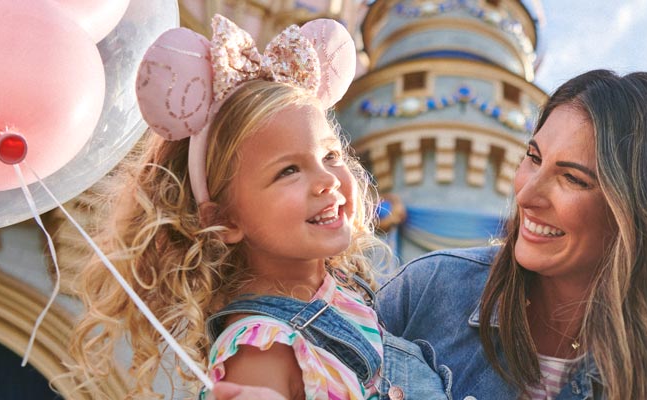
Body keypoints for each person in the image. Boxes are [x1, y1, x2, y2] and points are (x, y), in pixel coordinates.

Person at [66, 16, 447, 400]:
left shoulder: (343, 292)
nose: (328, 179)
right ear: (224, 220)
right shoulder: (262, 346)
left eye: (330, 155)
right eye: (289, 171)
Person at [378, 70, 647, 399]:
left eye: (572, 178)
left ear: (642, 213)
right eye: (533, 158)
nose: (527, 193)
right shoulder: (430, 289)